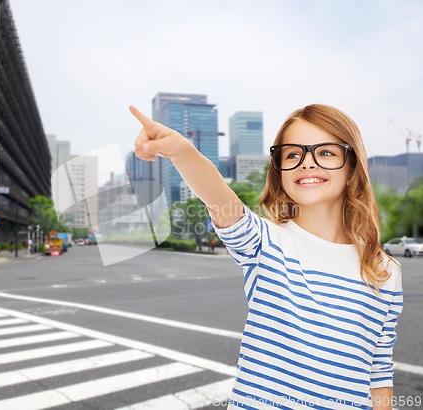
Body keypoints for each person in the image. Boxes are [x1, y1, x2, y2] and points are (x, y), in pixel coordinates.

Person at [130, 104, 403, 410]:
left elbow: (379, 371)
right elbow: (218, 196)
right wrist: (181, 151)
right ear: (279, 171)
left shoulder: (385, 271)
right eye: (292, 155)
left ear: (351, 165)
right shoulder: (265, 242)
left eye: (325, 152)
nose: (307, 163)